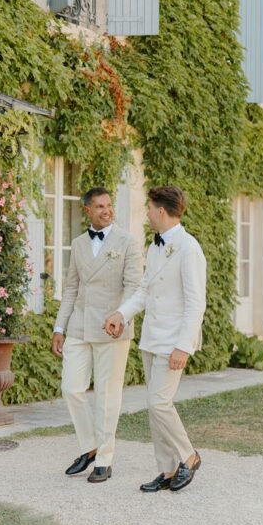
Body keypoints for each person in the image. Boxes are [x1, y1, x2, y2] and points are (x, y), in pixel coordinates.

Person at [104, 185, 207, 493]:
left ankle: (188, 456)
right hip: (151, 339)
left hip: (174, 342)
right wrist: (121, 314)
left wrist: (183, 346)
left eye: (149, 208)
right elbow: (144, 291)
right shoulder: (155, 247)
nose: (146, 214)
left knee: (158, 402)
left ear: (161, 210)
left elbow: (195, 303)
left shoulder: (189, 249)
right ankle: (167, 468)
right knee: (154, 407)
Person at [52, 187, 143, 483]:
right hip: (79, 326)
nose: (106, 210)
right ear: (87, 210)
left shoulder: (128, 242)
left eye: (109, 205)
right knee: (71, 388)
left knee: (107, 394)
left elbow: (134, 286)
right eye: (99, 206)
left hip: (112, 327)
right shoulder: (78, 244)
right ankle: (90, 447)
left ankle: (104, 458)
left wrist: (121, 316)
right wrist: (59, 327)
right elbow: (70, 289)